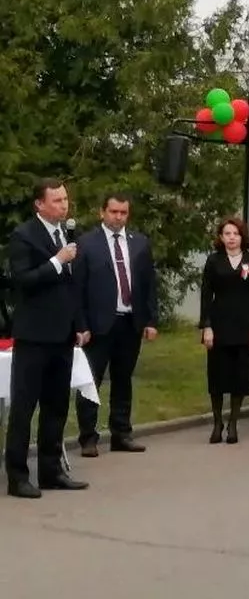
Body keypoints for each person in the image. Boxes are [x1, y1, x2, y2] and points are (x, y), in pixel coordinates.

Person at [4, 178, 90, 498]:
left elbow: (73, 287)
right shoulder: (24, 235)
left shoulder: (67, 235)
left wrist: (80, 323)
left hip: (63, 334)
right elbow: (23, 280)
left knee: (56, 406)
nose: (63, 206)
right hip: (34, 335)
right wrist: (57, 261)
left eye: (65, 199)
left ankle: (52, 471)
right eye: (56, 201)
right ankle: (17, 476)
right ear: (39, 204)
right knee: (24, 407)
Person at [73, 192, 159, 456]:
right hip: (97, 326)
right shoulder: (86, 244)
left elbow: (148, 285)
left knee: (123, 380)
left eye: (123, 213)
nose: (118, 217)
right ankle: (88, 437)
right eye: (113, 212)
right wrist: (81, 324)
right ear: (102, 212)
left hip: (130, 322)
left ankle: (121, 433)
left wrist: (150, 319)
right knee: (91, 381)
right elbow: (77, 288)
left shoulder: (140, 243)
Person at [198, 217, 249, 444]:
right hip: (219, 325)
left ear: (242, 236)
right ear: (221, 237)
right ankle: (217, 423)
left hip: (244, 326)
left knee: (239, 376)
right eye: (227, 233)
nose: (231, 237)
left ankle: (233, 423)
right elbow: (206, 295)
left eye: (235, 233)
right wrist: (206, 326)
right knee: (217, 376)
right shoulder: (214, 261)